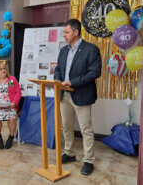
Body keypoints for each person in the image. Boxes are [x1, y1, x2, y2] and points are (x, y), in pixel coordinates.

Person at [54, 19, 102, 175]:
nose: (64, 35)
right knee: (66, 127)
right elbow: (58, 68)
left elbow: (95, 72)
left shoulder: (91, 49)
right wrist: (58, 79)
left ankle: (88, 160)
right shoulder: (63, 50)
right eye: (64, 32)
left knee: (85, 129)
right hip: (64, 95)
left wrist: (72, 82)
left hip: (82, 94)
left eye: (67, 32)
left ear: (76, 32)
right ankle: (69, 153)